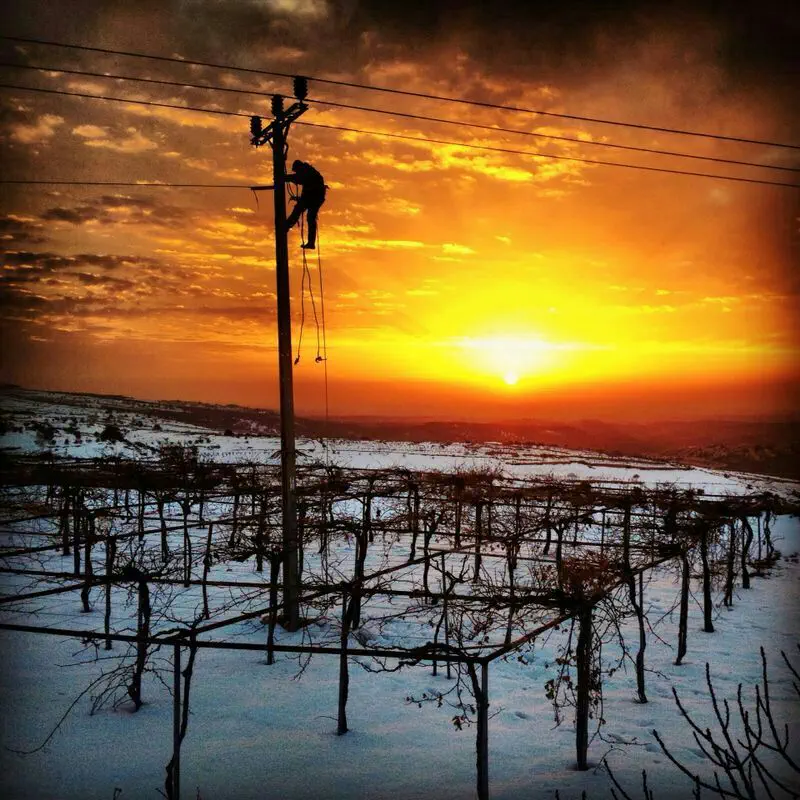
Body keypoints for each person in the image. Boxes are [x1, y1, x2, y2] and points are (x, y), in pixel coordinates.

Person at [285, 160, 326, 249]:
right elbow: (302, 181)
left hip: (314, 198)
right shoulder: (308, 172)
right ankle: (288, 226)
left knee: (302, 212)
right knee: (307, 215)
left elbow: (299, 179)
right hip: (314, 197)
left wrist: (285, 178)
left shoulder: (306, 171)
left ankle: (287, 226)